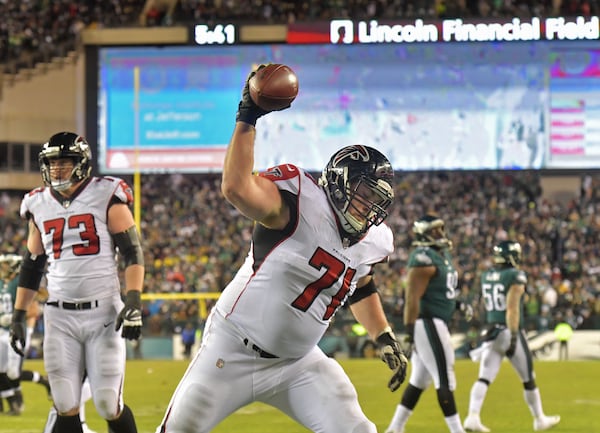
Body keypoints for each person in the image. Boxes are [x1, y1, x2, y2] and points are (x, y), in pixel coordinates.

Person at [157, 64, 408, 433]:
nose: (368, 208)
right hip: (233, 350)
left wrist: (382, 334)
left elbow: (360, 282)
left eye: (376, 200)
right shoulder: (300, 200)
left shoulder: (374, 240)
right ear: (338, 185)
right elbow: (237, 189)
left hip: (298, 363)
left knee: (359, 430)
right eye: (363, 195)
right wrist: (248, 116)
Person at [8, 132, 144, 433]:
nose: (57, 169)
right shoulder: (37, 203)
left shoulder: (107, 193)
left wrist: (133, 300)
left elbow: (133, 252)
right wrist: (19, 314)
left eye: (64, 162)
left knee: (109, 403)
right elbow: (32, 265)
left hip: (103, 314)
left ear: (81, 163)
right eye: (52, 163)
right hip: (59, 315)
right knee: (64, 403)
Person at [463, 241, 560, 432]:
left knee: (484, 378)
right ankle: (539, 419)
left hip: (492, 331)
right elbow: (512, 308)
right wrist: (514, 335)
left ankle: (472, 417)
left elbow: (485, 305)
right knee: (528, 379)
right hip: (508, 330)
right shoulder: (515, 275)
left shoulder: (486, 275)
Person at [385, 214, 469, 433]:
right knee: (445, 378)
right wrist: (410, 332)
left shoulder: (442, 255)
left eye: (441, 229)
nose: (441, 234)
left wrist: (458, 306)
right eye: (435, 230)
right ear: (424, 233)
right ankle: (457, 430)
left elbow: (442, 292)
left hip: (435, 321)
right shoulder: (423, 257)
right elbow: (412, 298)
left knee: (419, 380)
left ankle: (395, 428)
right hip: (427, 323)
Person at [0, 253, 50, 415]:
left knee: (13, 372)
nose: (3, 268)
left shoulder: (20, 282)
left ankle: (18, 402)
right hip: (2, 331)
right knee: (3, 371)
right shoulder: (3, 283)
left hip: (17, 330)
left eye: (6, 264)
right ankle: (12, 403)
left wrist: (18, 321)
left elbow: (34, 308)